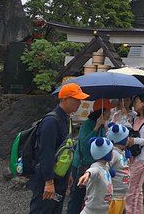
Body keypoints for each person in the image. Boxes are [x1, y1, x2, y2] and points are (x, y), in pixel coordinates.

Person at [27, 83, 88, 214]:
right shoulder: (51, 121)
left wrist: (68, 174)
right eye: (76, 99)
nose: (79, 103)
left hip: (59, 176)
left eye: (80, 99)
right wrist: (49, 182)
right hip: (47, 178)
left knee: (55, 210)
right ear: (64, 99)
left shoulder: (66, 118)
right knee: (42, 210)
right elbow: (46, 153)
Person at [67, 99, 114, 214]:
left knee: (91, 196)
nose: (110, 113)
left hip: (95, 165)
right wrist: (96, 127)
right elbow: (84, 144)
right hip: (82, 165)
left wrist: (105, 128)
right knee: (76, 197)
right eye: (108, 111)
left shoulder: (104, 125)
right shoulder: (87, 124)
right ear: (102, 112)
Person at [124, 94, 144, 214]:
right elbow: (127, 112)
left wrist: (135, 141)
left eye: (136, 102)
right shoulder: (136, 118)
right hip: (133, 156)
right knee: (137, 188)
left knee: (132, 189)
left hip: (143, 158)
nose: (134, 104)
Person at [77, 137, 114, 214]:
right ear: (105, 154)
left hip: (103, 210)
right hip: (91, 211)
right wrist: (87, 174)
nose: (113, 153)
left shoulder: (105, 167)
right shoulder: (97, 167)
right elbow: (93, 171)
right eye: (111, 151)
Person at [106, 123, 131, 214]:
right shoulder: (114, 153)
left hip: (121, 195)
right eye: (127, 137)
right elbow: (105, 166)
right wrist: (109, 172)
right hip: (114, 196)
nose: (129, 139)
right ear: (122, 140)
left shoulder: (121, 152)